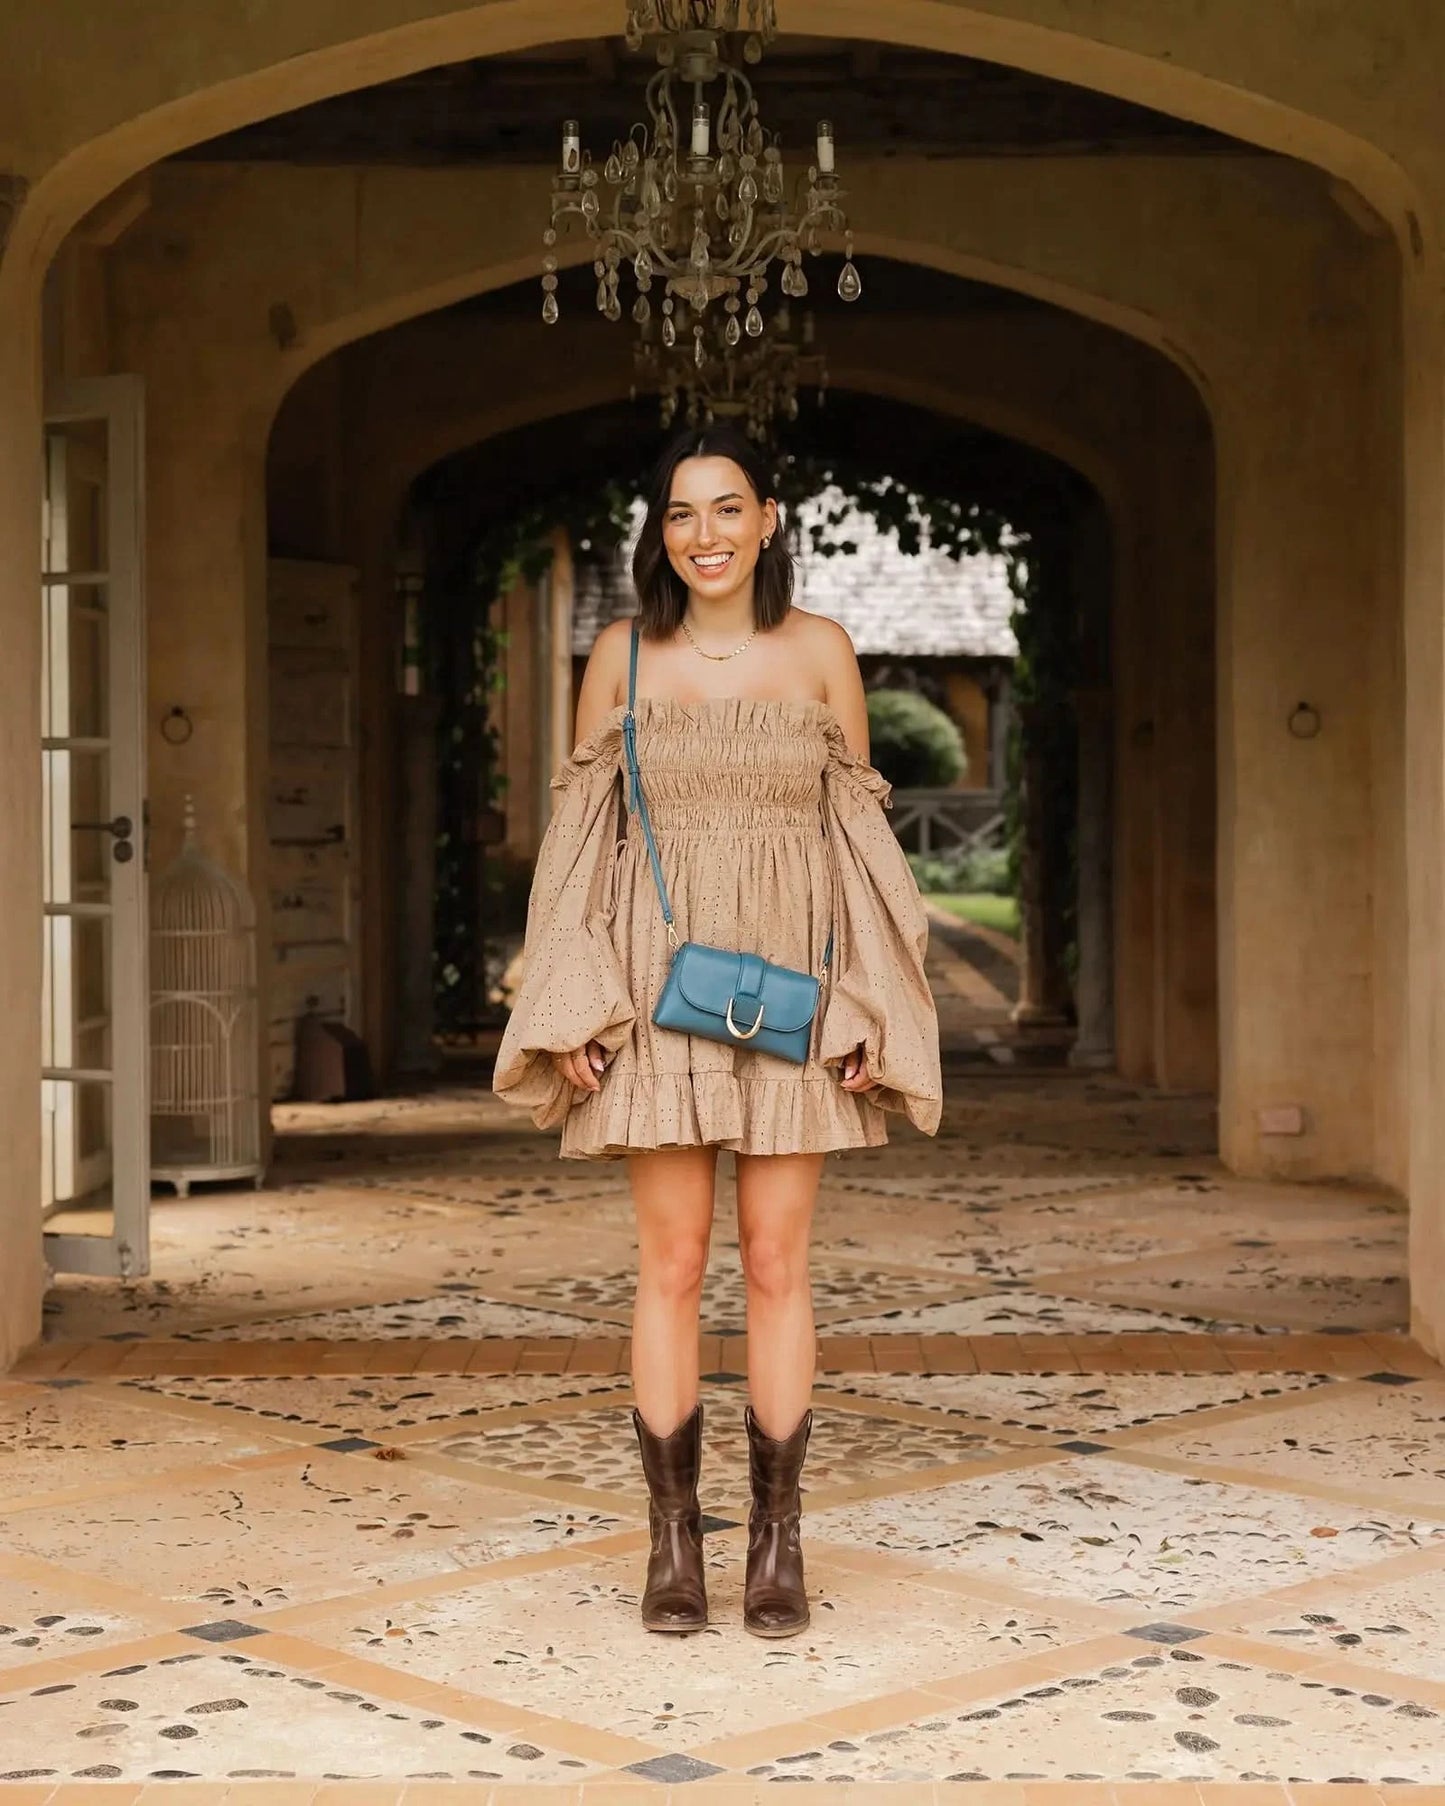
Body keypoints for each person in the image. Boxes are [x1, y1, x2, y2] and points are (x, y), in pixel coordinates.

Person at [493, 423, 942, 1638]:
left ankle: (778, 1544)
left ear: (769, 520)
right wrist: (573, 1002)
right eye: (680, 513)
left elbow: (861, 849)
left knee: (780, 1261)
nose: (703, 535)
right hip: (653, 997)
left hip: (793, 998)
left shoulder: (821, 654)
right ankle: (673, 1544)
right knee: (673, 1265)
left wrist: (863, 1002)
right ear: (661, 531)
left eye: (725, 509)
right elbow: (581, 852)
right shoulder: (621, 658)